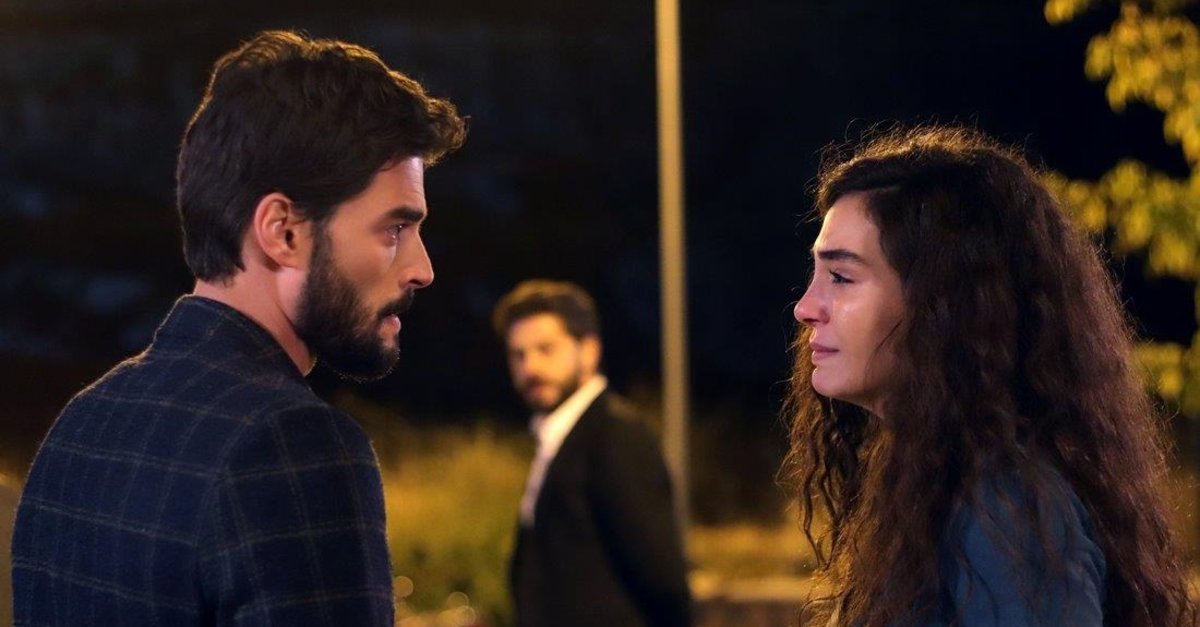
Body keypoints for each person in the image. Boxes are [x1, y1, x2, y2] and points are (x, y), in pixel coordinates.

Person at [12, 30, 465, 626]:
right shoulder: (294, 444)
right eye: (395, 229)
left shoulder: (83, 423)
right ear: (283, 232)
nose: (422, 269)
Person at [784, 126, 1196, 626]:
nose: (806, 307)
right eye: (816, 274)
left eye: (841, 277)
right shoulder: (933, 483)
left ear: (943, 304)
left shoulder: (1005, 509)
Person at [492, 279, 691, 627]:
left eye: (546, 349)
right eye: (518, 354)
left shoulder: (614, 434)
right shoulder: (561, 437)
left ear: (588, 350)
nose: (530, 367)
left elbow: (662, 576)